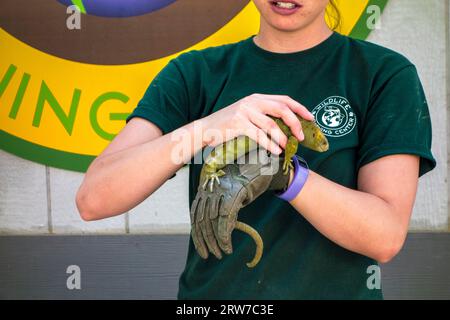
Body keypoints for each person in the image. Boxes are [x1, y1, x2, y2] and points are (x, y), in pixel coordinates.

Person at [76, 0, 436, 299]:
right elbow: (94, 199)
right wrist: (205, 129)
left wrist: (287, 176)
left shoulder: (383, 74)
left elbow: (385, 237)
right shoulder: (194, 73)